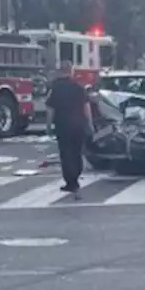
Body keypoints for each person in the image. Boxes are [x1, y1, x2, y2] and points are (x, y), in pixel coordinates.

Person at [46, 63, 89, 196]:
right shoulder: (79, 87)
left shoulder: (56, 88)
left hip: (63, 125)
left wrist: (48, 125)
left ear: (60, 72)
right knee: (77, 152)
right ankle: (76, 176)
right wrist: (89, 124)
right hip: (78, 124)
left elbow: (50, 108)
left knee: (66, 153)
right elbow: (86, 107)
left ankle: (71, 181)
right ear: (71, 72)